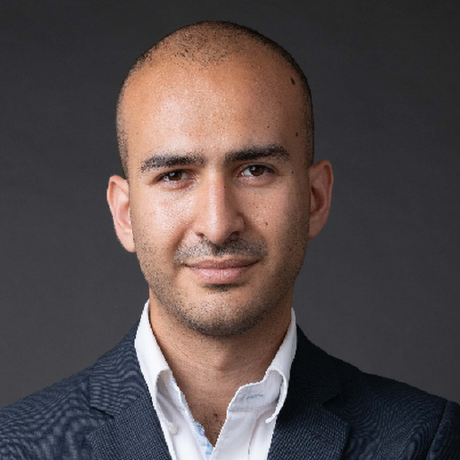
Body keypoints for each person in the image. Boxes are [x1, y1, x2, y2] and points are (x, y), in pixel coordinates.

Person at [0, 21, 459, 460]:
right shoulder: (14, 446)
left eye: (255, 170)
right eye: (175, 175)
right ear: (125, 214)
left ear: (315, 199)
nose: (218, 226)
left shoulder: (424, 441)